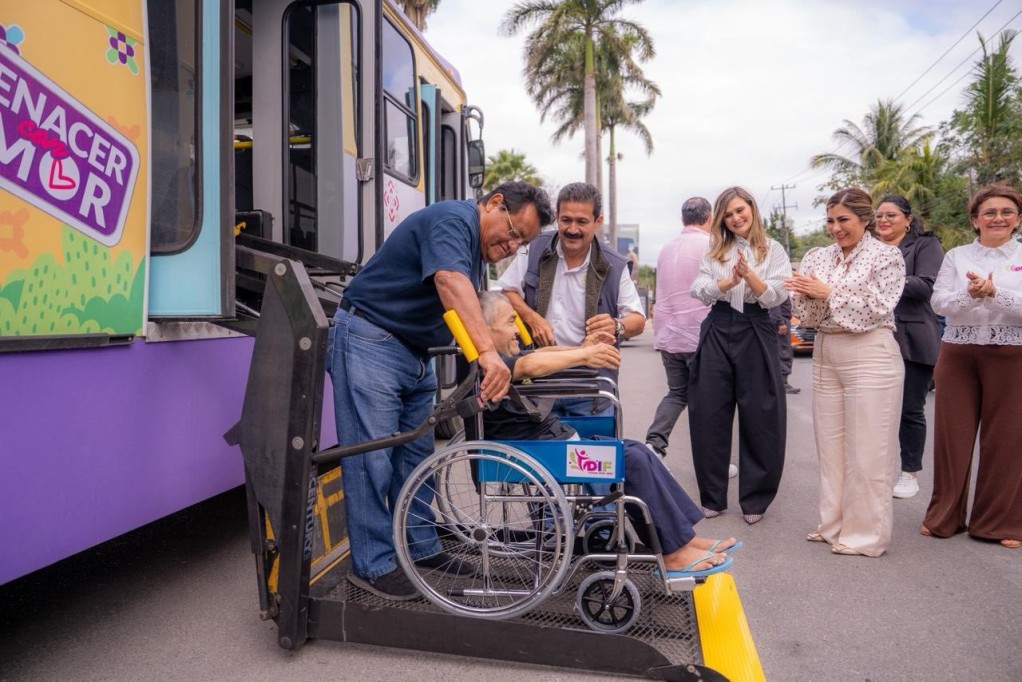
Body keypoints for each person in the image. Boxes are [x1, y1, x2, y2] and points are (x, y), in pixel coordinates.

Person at [330, 181, 555, 600]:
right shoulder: (454, 219)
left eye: (521, 243)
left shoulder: (476, 248)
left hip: (415, 353)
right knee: (370, 458)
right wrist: (488, 355)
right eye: (512, 232)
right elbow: (450, 282)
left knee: (416, 458)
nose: (511, 246)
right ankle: (373, 565)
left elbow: (471, 307)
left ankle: (419, 544)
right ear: (494, 203)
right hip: (370, 339)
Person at [478, 291, 739, 576]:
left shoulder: (504, 357)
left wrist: (582, 348)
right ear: (485, 329)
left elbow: (537, 355)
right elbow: (529, 365)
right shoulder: (492, 366)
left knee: (637, 451)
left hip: (552, 445)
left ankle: (684, 539)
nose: (518, 329)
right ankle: (674, 552)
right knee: (632, 461)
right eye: (510, 321)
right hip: (540, 454)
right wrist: (585, 355)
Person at [787, 188, 905, 557]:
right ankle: (833, 525)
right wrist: (809, 296)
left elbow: (877, 308)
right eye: (830, 220)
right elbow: (806, 315)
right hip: (826, 349)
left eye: (843, 220)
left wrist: (827, 292)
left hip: (870, 351)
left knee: (868, 451)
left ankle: (865, 535)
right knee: (831, 448)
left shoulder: (887, 256)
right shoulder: (817, 256)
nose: (835, 228)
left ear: (865, 219)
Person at [922, 184, 1022, 550]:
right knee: (953, 436)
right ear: (975, 220)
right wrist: (970, 293)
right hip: (958, 354)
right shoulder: (957, 256)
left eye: (1006, 212)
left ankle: (1000, 521)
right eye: (989, 212)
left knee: (1008, 439)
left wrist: (996, 293)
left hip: (1012, 354)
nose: (998, 218)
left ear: (1018, 219)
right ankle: (944, 517)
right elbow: (939, 302)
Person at [497, 182, 646, 418]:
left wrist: (616, 325)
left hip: (591, 386)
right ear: (557, 217)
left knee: (592, 442)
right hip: (536, 380)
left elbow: (637, 320)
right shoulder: (534, 247)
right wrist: (532, 318)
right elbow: (507, 292)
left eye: (582, 222)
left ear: (597, 221)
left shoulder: (614, 264)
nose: (572, 229)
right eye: (566, 220)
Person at [688, 186, 792, 525]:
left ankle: (755, 499)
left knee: (761, 414)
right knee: (708, 412)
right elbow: (699, 290)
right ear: (721, 219)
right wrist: (729, 282)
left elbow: (775, 296)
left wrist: (749, 276)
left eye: (739, 210)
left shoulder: (773, 249)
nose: (735, 218)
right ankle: (712, 497)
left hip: (757, 325)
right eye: (728, 214)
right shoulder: (715, 250)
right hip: (718, 325)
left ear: (751, 208)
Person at [644, 197, 736, 478]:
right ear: (709, 218)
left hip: (669, 334)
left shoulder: (666, 248)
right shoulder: (712, 245)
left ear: (683, 219)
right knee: (710, 401)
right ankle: (714, 463)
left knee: (677, 393)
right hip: (702, 335)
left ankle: (654, 446)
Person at [874, 194, 944, 499]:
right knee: (873, 410)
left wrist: (882, 278)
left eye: (890, 215)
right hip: (872, 336)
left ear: (908, 219)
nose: (883, 220)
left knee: (909, 409)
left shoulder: (925, 245)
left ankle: (909, 473)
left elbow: (925, 286)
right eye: (879, 216)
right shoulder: (869, 247)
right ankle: (875, 472)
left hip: (912, 337)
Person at [769, 298, 801, 394]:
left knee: (781, 349)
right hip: (781, 320)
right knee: (784, 350)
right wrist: (780, 322)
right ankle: (783, 383)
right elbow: (775, 304)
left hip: (781, 319)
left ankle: (779, 382)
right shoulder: (780, 289)